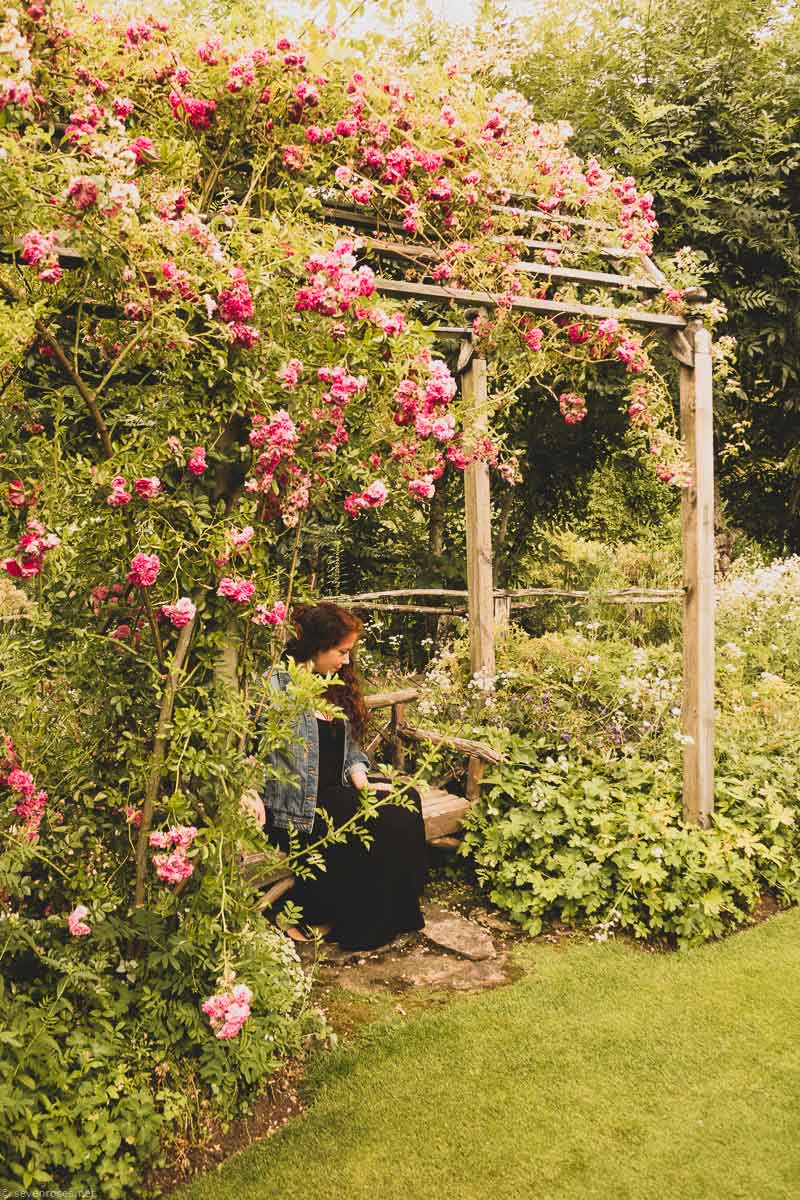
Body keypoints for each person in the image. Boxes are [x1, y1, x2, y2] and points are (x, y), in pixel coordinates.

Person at [257, 601, 427, 951]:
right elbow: (247, 746)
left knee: (406, 800)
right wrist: (247, 791)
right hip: (296, 810)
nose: (347, 660)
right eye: (341, 651)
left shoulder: (332, 684)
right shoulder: (275, 687)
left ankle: (396, 915)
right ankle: (352, 925)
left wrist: (359, 773)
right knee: (381, 821)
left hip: (335, 793)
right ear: (316, 646)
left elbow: (350, 751)